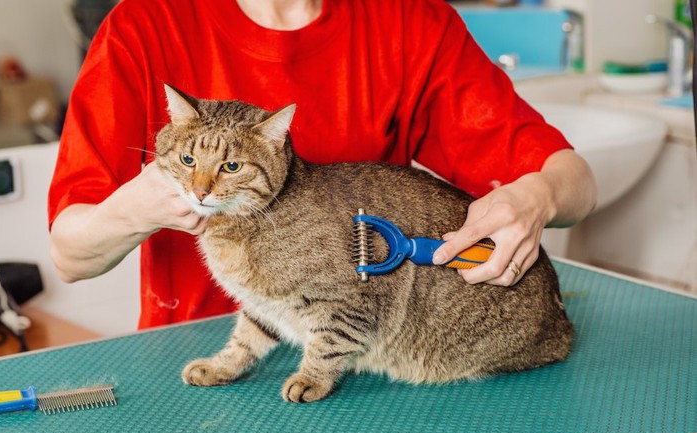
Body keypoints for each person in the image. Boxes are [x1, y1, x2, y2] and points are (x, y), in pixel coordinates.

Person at [48, 0, 597, 329]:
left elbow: (575, 183)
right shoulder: (145, 25)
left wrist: (537, 199)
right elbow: (71, 255)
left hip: (360, 346)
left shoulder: (410, 22)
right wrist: (135, 210)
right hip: (204, 352)